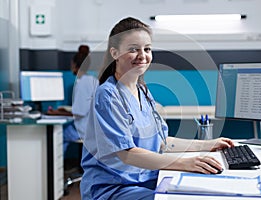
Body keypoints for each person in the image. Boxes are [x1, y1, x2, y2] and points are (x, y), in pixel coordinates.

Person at [80, 17, 234, 200]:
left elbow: (160, 142)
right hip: (114, 188)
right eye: (133, 49)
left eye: (147, 49)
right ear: (114, 53)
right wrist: (185, 163)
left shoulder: (142, 91)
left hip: (145, 179)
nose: (142, 55)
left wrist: (208, 145)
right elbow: (127, 155)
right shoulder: (107, 95)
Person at [47, 45, 98, 154]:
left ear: (74, 65)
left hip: (84, 129)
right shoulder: (91, 80)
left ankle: (55, 169)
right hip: (92, 127)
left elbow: (79, 113)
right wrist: (62, 111)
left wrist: (56, 113)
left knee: (58, 136)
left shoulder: (83, 83)